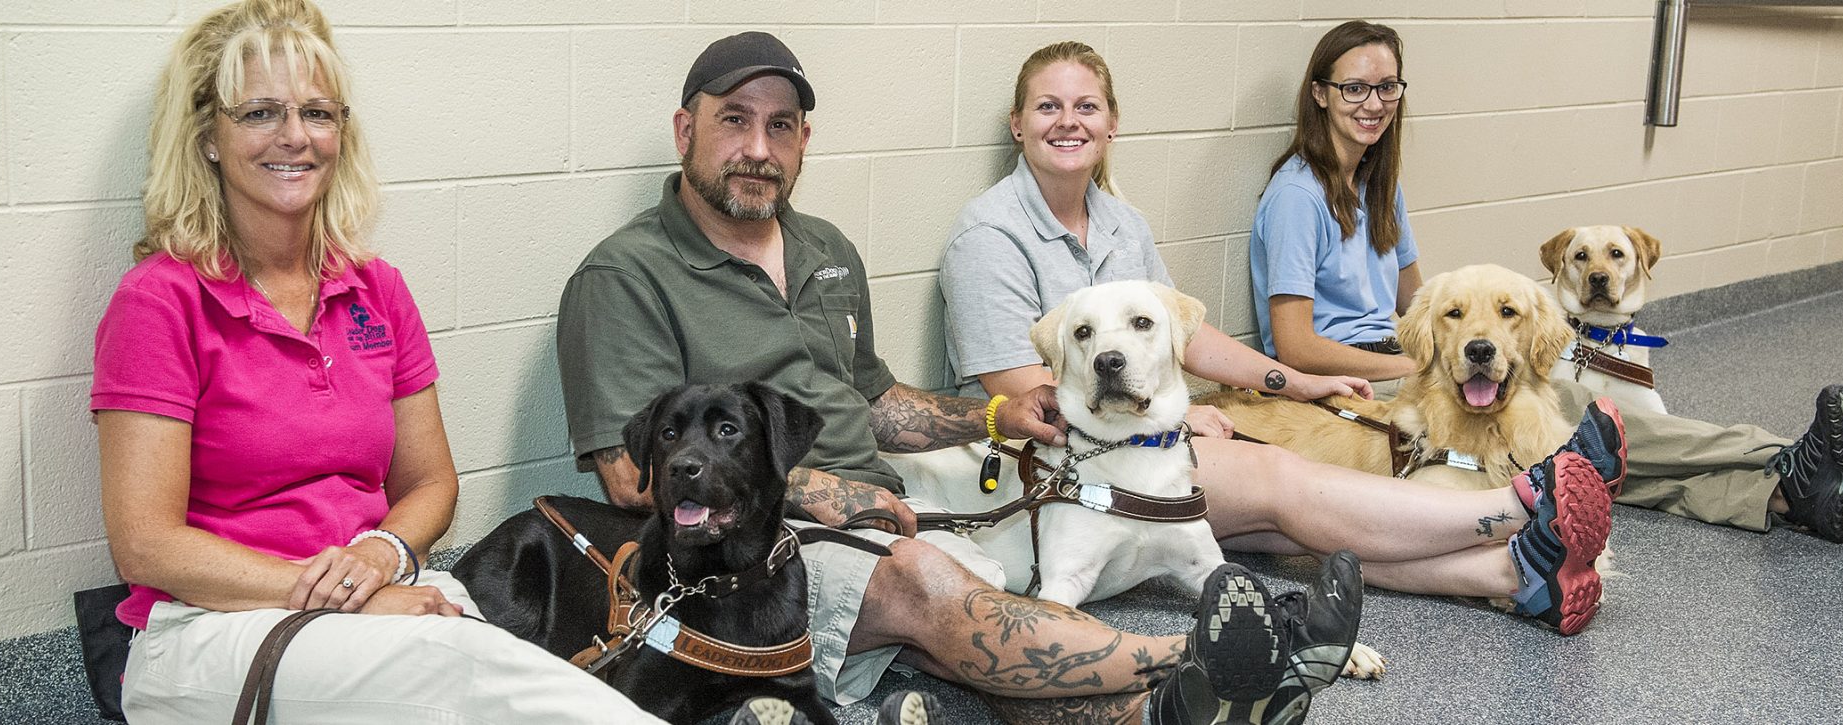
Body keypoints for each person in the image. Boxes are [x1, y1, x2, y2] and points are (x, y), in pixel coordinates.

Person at [557, 31, 1371, 725]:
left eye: (780, 126)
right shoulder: (626, 276)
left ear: (805, 139)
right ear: (683, 129)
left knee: (981, 608)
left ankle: (1172, 707)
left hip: (884, 505)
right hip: (748, 539)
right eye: (733, 121)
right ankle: (1230, 654)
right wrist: (825, 494)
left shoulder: (825, 251)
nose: (758, 148)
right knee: (930, 584)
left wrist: (996, 418)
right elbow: (634, 476)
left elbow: (878, 403)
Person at [937, 39, 1628, 640]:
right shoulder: (989, 236)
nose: (1068, 121)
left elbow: (1189, 337)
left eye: (1086, 105)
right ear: (1018, 124)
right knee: (1282, 479)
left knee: (1292, 530)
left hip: (1141, 452)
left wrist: (1296, 381)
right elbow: (1024, 395)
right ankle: (1514, 508)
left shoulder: (1120, 222)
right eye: (1048, 106)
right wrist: (1167, 421)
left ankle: (1514, 575)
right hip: (1063, 462)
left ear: (1112, 124)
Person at [91, 2, 664, 721]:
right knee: (460, 669)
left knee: (478, 651)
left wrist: (381, 557)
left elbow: (432, 482)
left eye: (318, 113)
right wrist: (344, 593)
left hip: (365, 598)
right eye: (261, 113)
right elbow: (145, 545)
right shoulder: (159, 300)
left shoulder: (374, 287)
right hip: (207, 630)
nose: (296, 136)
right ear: (208, 135)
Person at [1246, 20, 1843, 543]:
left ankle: (1785, 491)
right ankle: (1789, 458)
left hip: (1424, 363)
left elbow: (1416, 302)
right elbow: (1296, 345)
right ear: (1319, 93)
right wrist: (1417, 362)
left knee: (1585, 442)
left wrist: (1488, 336)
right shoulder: (1296, 197)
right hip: (1365, 381)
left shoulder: (1378, 186)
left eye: (1387, 87)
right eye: (1354, 87)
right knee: (1584, 426)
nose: (1373, 102)